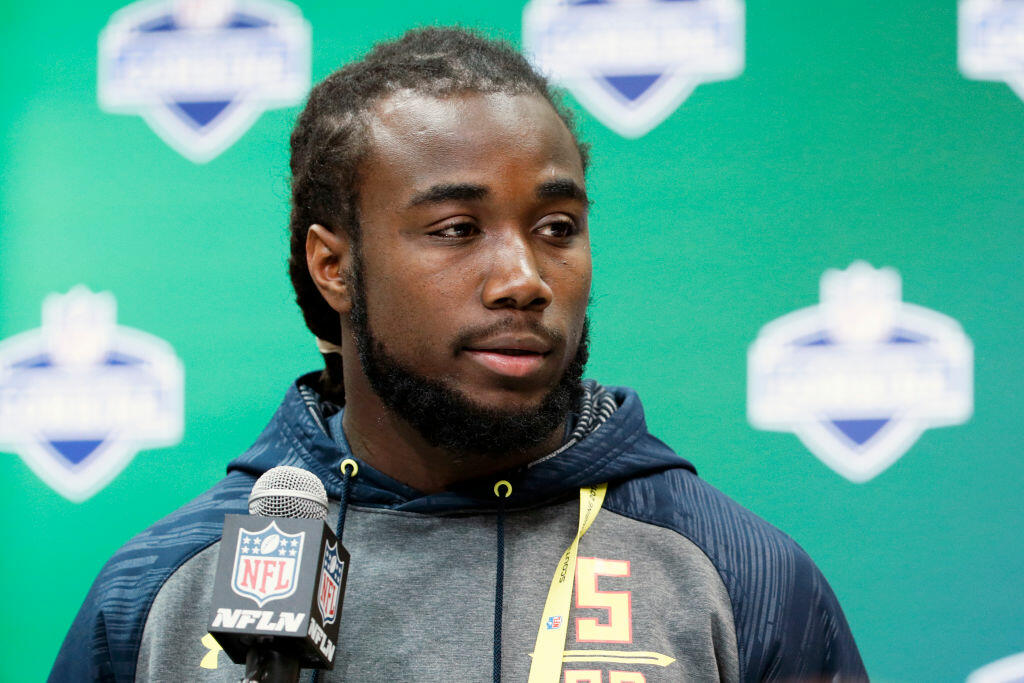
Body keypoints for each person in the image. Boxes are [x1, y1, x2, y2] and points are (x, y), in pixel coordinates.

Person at [50, 27, 866, 682]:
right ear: (333, 266)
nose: (524, 280)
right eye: (456, 231)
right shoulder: (161, 591)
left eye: (557, 229)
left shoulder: (740, 577)